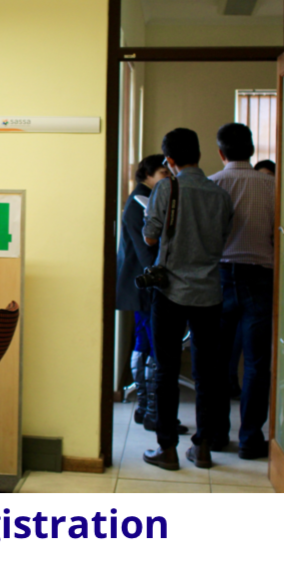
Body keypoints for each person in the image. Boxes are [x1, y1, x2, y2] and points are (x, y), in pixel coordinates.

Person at [141, 128, 233, 470]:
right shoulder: (220, 194)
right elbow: (224, 238)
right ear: (199, 154)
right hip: (209, 292)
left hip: (170, 291)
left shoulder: (166, 188)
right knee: (208, 372)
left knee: (166, 370)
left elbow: (150, 237)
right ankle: (203, 447)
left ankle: (167, 449)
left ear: (170, 160)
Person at [209, 124, 275, 460]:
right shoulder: (272, 185)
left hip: (219, 276)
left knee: (217, 362)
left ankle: (216, 434)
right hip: (260, 279)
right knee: (257, 364)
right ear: (251, 151)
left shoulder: (211, 184)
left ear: (221, 153)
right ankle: (250, 439)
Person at [116, 156, 169, 425]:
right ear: (147, 174)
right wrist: (159, 278)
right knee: (150, 341)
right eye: (162, 173)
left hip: (142, 282)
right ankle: (152, 411)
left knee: (145, 340)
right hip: (145, 283)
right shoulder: (140, 201)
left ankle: (146, 409)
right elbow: (145, 250)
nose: (167, 177)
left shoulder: (145, 198)